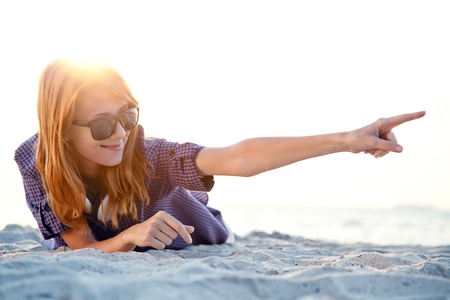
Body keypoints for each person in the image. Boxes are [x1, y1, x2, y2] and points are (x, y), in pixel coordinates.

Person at [15, 58, 425, 253]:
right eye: (103, 125)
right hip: (118, 230)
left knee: (182, 212)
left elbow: (237, 159)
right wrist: (128, 238)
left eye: (129, 116)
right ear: (61, 129)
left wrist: (347, 139)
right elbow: (77, 248)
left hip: (190, 223)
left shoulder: (144, 153)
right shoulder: (35, 159)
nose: (121, 134)